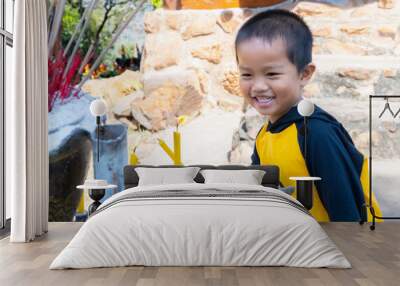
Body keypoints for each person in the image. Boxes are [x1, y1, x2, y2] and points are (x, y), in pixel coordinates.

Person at [235, 9, 381, 222]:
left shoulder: (317, 135)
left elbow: (347, 212)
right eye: (247, 74)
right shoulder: (265, 135)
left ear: (304, 74)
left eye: (272, 74)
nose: (258, 86)